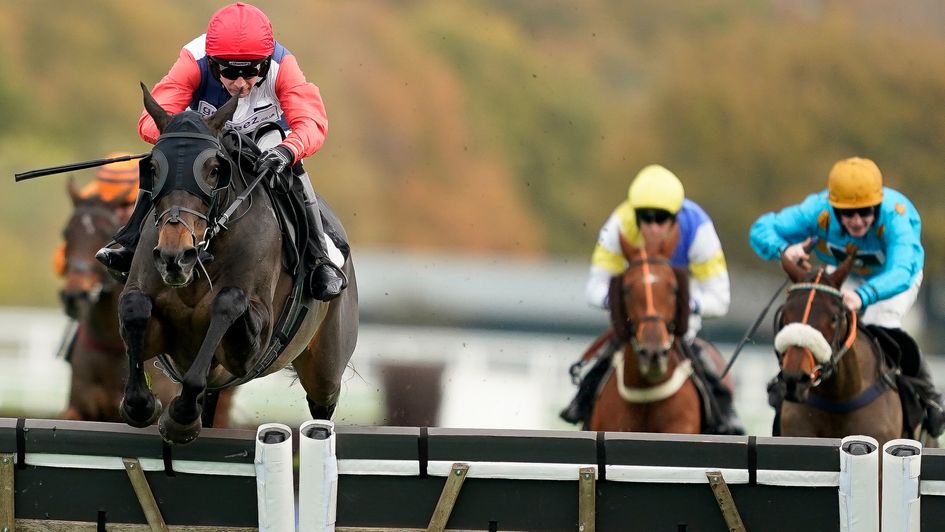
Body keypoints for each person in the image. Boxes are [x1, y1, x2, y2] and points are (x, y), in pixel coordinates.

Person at [95, 2, 345, 301]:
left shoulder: (283, 66)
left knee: (293, 171)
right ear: (213, 64)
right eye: (229, 71)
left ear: (265, 63)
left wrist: (288, 150)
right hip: (205, 136)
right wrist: (187, 137)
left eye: (251, 71)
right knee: (163, 163)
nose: (240, 83)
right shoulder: (193, 60)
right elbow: (151, 120)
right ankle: (130, 241)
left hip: (265, 138)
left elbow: (311, 122)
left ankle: (319, 258)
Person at [750, 156, 945, 437]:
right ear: (833, 208)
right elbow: (761, 229)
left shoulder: (896, 216)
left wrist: (864, 295)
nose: (856, 221)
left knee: (882, 321)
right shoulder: (817, 210)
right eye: (847, 213)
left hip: (892, 280)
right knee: (814, 318)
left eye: (865, 212)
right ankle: (790, 380)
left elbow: (902, 269)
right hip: (844, 274)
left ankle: (928, 397)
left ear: (877, 206)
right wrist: (783, 249)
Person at [560, 164, 743, 435]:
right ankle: (581, 404)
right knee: (600, 365)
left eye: (661, 218)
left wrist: (683, 305)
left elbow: (720, 299)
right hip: (633, 323)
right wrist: (627, 302)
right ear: (635, 215)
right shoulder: (618, 225)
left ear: (676, 217)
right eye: (645, 218)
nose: (653, 227)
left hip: (679, 324)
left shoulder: (698, 227)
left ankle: (726, 417)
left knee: (707, 367)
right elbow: (595, 289)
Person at [53, 153, 139, 277]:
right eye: (106, 205)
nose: (117, 211)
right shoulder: (89, 201)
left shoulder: (157, 206)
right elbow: (60, 265)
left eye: (124, 205)